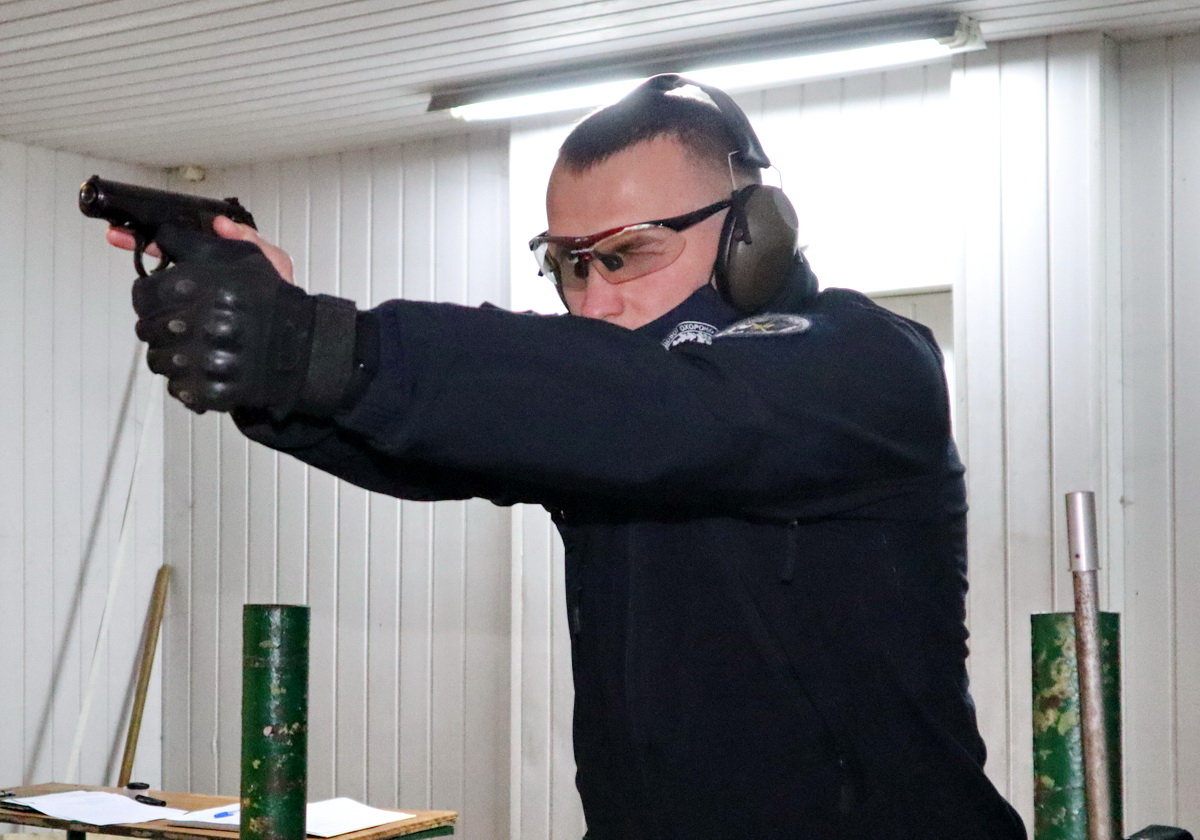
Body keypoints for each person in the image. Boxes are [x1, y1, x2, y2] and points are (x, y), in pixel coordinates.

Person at [113, 75, 1026, 839]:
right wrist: (275, 365)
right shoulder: (602, 415)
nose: (595, 302)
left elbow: (670, 414)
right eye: (571, 265)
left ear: (755, 232)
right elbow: (444, 438)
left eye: (628, 255)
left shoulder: (866, 366)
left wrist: (317, 343)